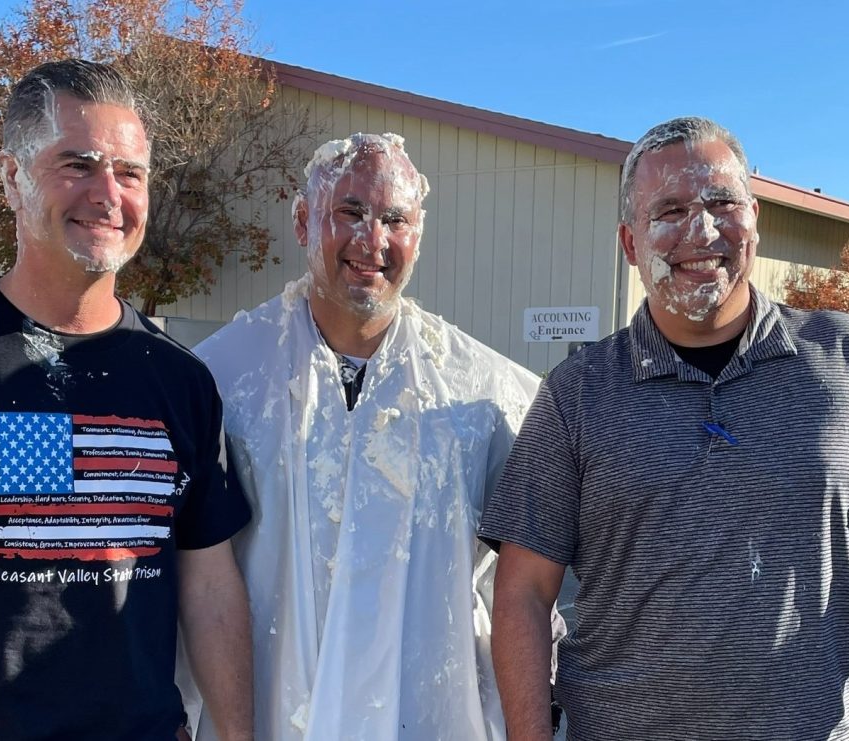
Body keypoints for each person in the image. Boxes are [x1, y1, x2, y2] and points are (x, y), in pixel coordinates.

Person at [0, 59, 253, 740]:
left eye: (130, 173)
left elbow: (211, 588)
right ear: (11, 178)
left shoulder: (180, 380)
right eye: (78, 164)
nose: (109, 194)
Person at [480, 115, 849, 740]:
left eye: (722, 201)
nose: (702, 229)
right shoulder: (579, 392)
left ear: (755, 218)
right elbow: (524, 594)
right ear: (629, 242)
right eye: (669, 209)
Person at [181, 132, 564, 739]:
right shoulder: (221, 379)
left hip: (434, 717)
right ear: (305, 221)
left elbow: (530, 578)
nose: (372, 240)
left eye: (395, 219)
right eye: (351, 212)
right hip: (272, 716)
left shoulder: (486, 395)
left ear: (420, 232)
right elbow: (189, 574)